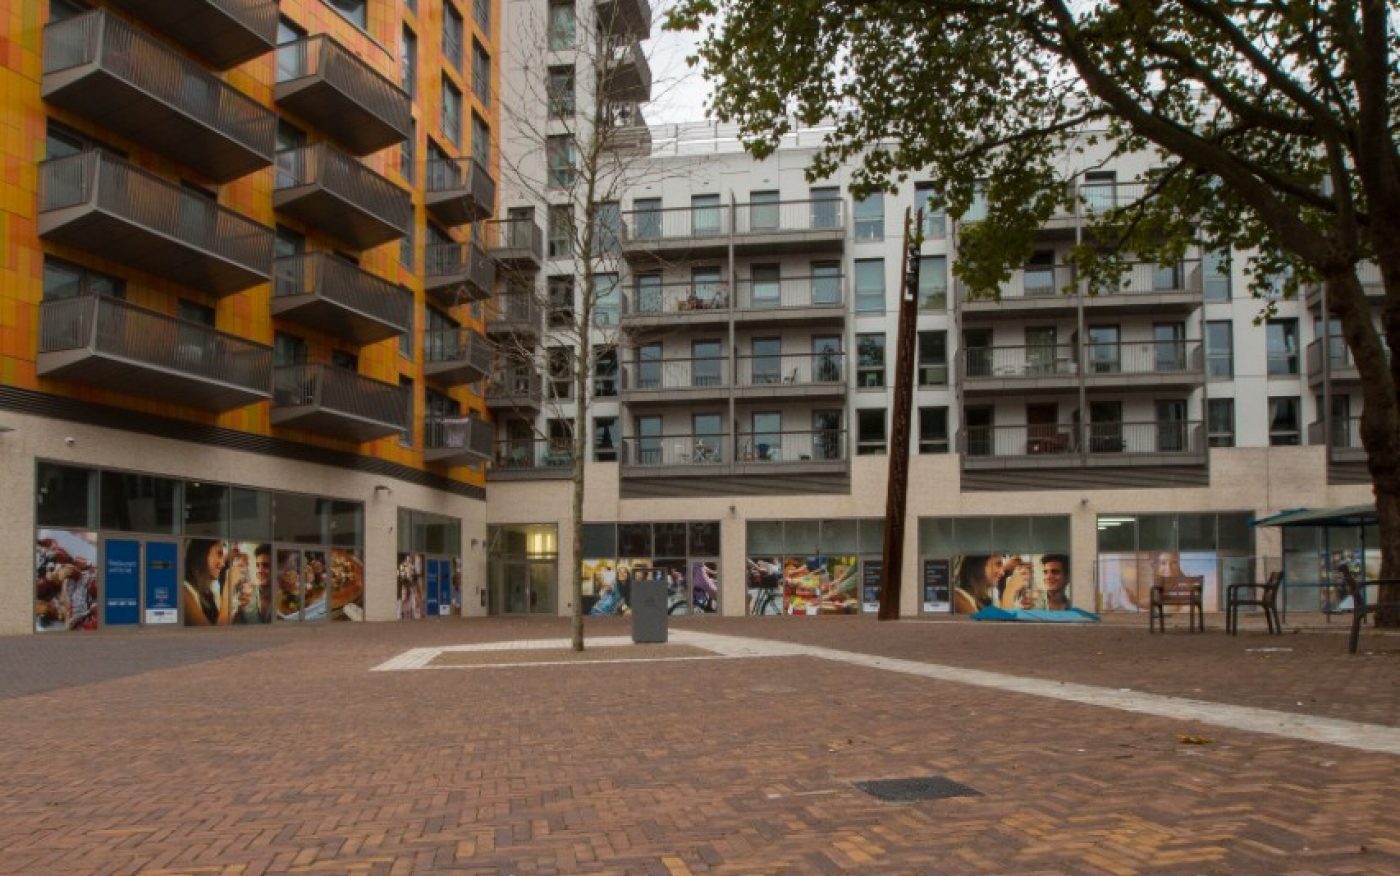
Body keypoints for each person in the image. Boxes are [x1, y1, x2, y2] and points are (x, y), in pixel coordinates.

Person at [184, 539, 238, 626]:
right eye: (219, 554)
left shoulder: (210, 591)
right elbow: (215, 635)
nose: (223, 563)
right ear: (202, 554)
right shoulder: (183, 593)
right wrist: (228, 587)